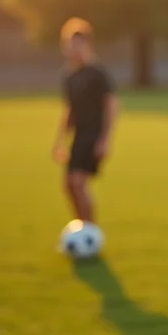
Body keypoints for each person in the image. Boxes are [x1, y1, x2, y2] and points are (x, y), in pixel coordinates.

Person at [52, 17, 118, 225]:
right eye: (70, 44)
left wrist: (105, 140)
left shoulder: (97, 73)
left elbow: (111, 105)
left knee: (78, 183)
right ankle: (82, 227)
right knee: (69, 186)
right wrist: (60, 141)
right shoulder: (69, 77)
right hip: (78, 137)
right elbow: (70, 111)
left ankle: (90, 230)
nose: (74, 48)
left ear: (87, 44)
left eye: (78, 44)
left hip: (94, 135)